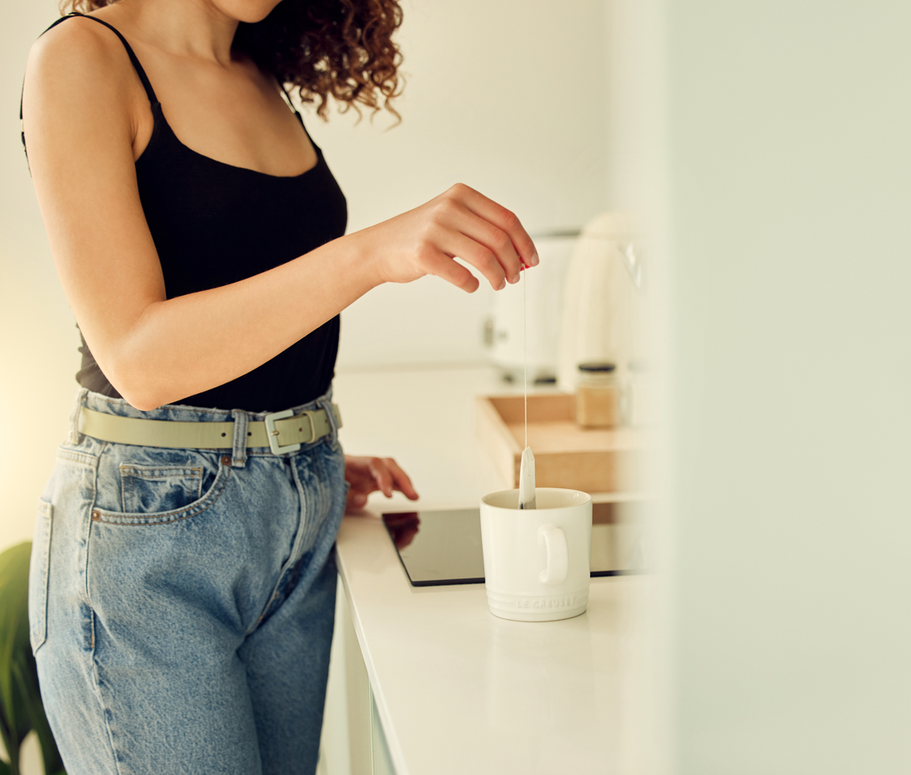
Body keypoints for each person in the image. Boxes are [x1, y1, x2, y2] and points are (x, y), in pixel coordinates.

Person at [20, 0, 538, 772]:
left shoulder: (260, 72)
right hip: (145, 542)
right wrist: (373, 254)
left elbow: (239, 293)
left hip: (294, 513)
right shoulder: (82, 58)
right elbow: (139, 358)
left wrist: (279, 449)